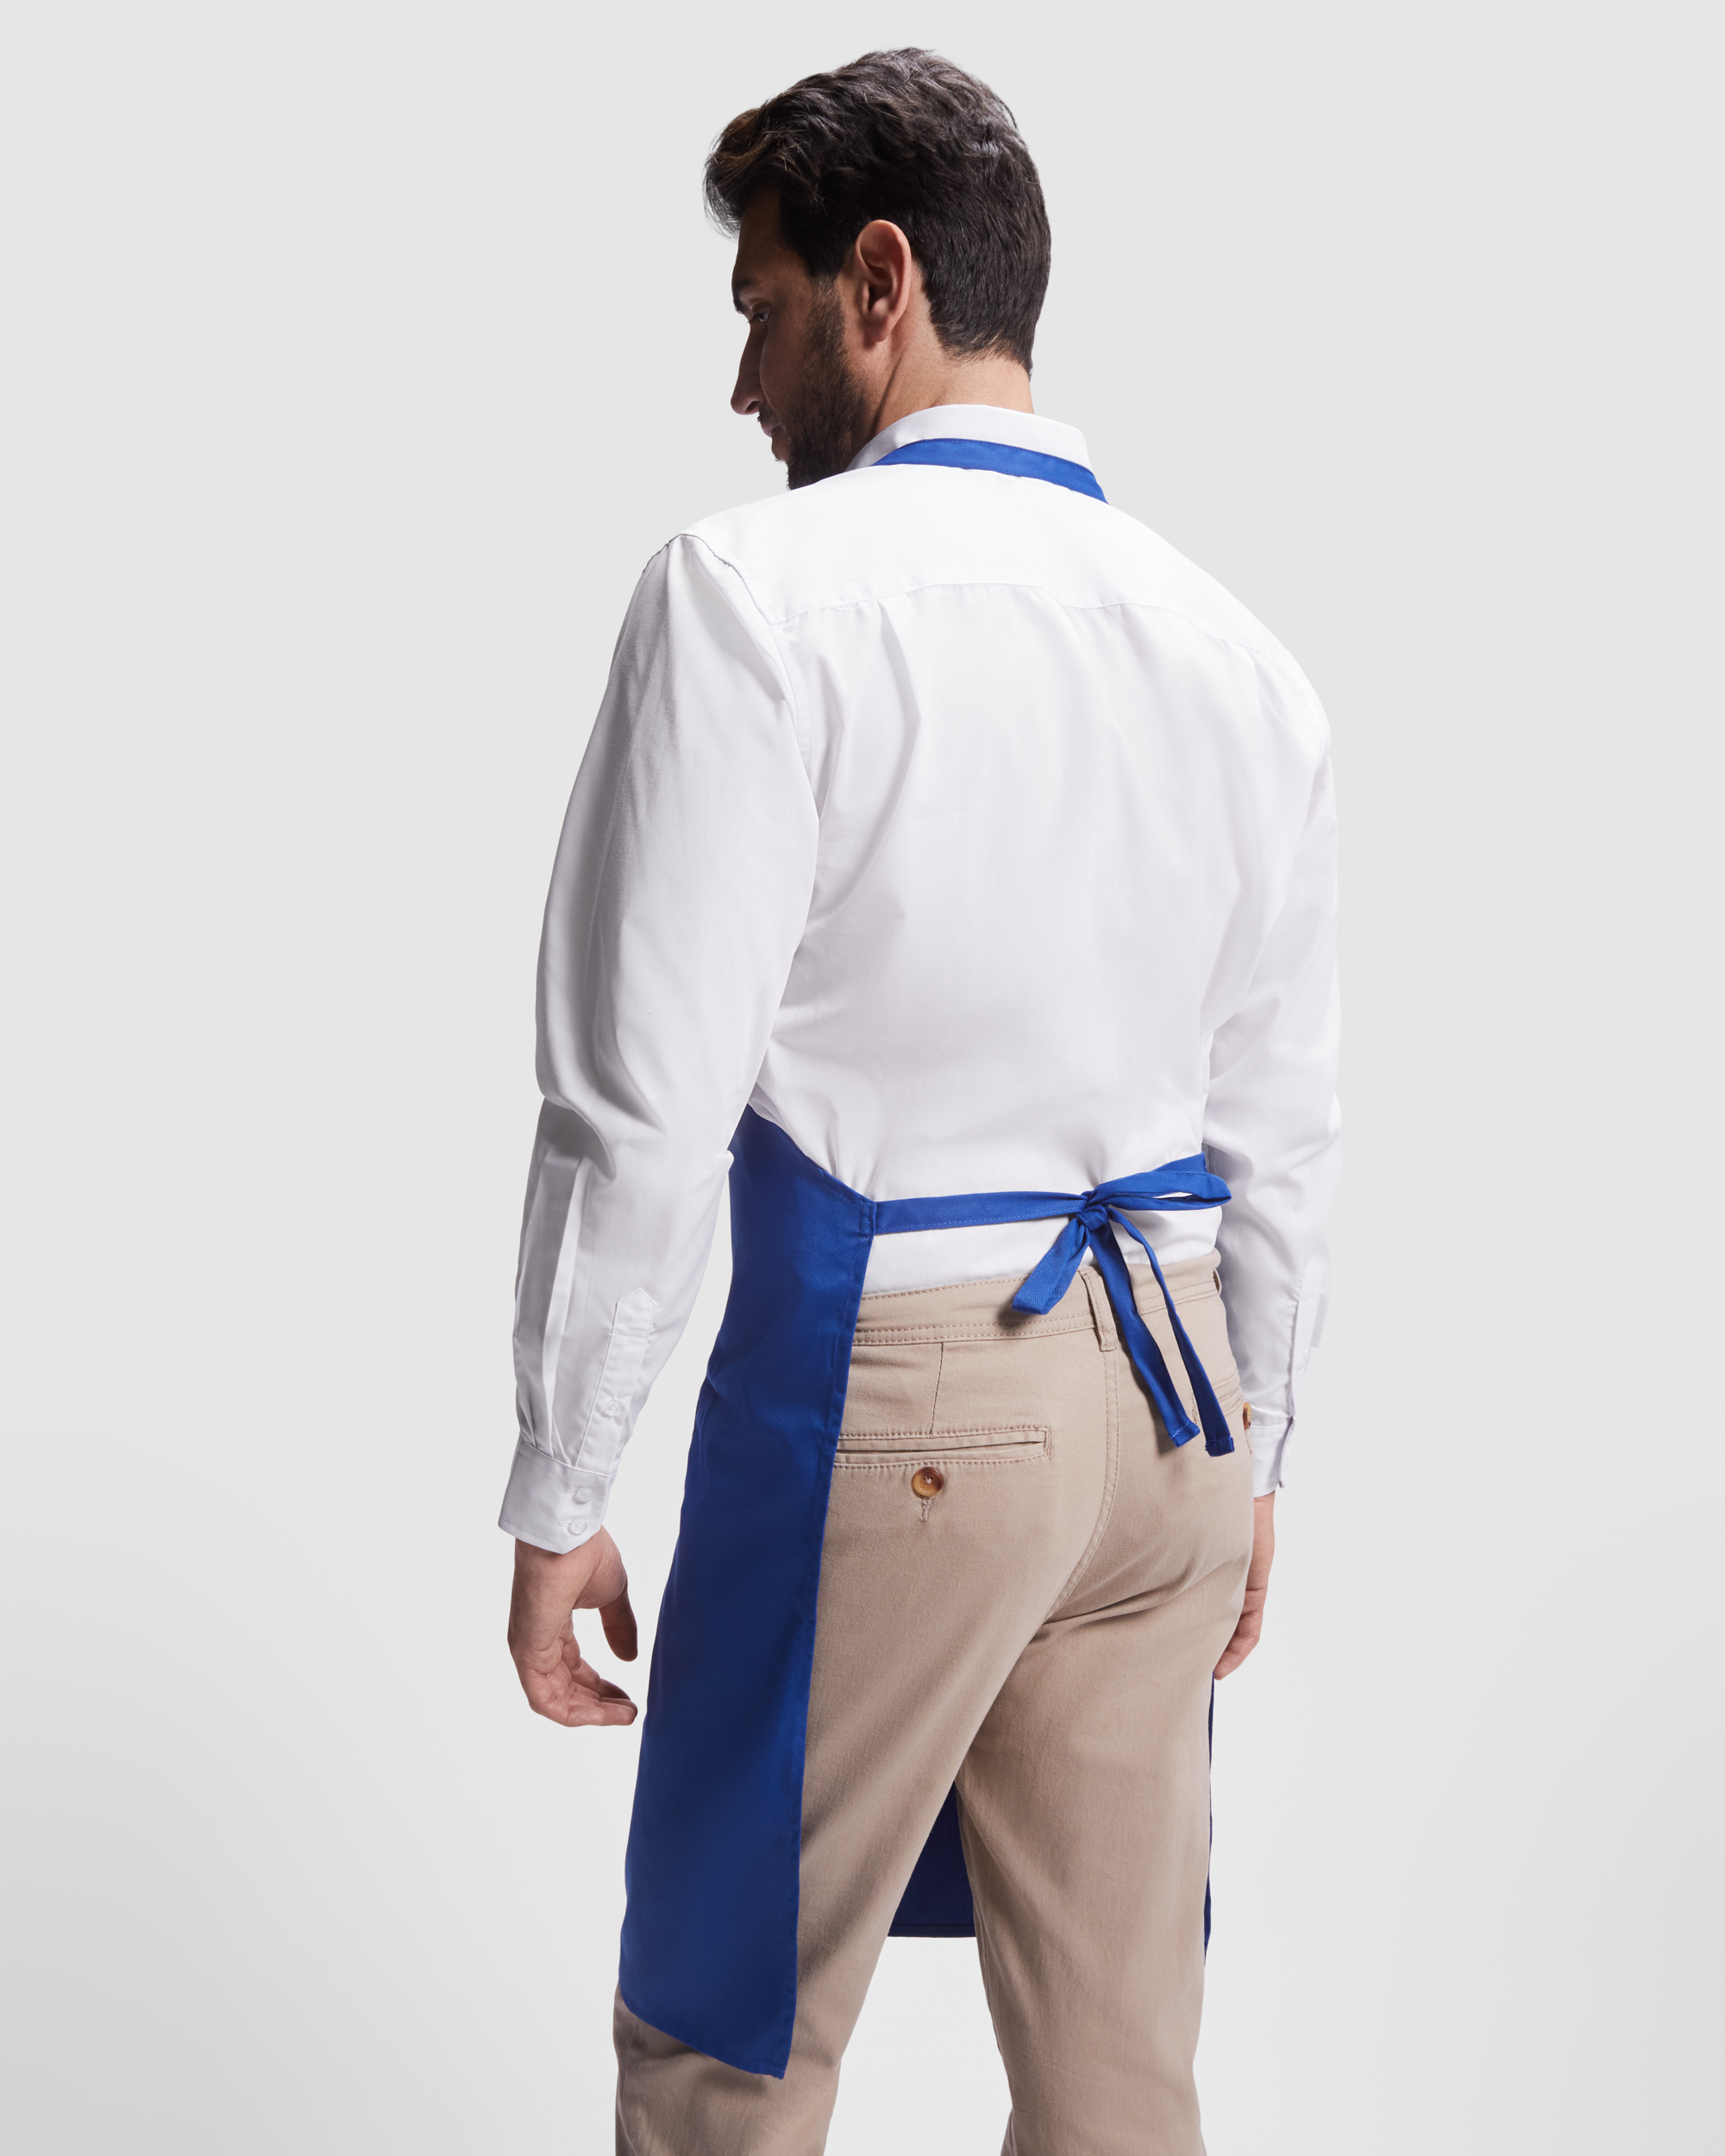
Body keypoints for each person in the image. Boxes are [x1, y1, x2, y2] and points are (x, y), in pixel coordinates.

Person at [501, 47, 1339, 2156]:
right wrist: (1259, 1452)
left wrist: (559, 1478)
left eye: (764, 310)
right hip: (1168, 1408)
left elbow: (640, 1100)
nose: (742, 386)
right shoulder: (1238, 656)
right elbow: (1282, 1118)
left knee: (724, 2045)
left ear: (881, 283)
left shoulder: (751, 600)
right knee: (1120, 2075)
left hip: (905, 1398)